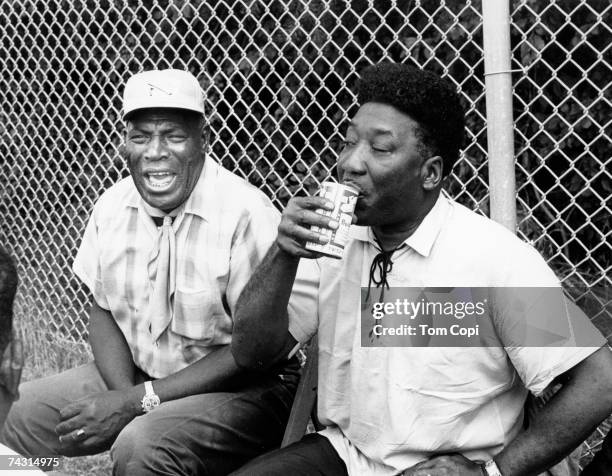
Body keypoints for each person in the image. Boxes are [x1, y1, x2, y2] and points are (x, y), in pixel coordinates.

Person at [229, 62, 612, 476]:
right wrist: (282, 255)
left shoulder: (494, 258)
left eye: (379, 149)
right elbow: (252, 354)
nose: (350, 164)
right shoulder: (329, 244)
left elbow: (599, 381)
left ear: (430, 173)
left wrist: (492, 473)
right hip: (347, 455)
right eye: (348, 143)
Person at [1, 69, 299, 476]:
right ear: (125, 143)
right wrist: (127, 396)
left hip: (243, 390)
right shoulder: (112, 205)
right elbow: (102, 308)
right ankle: (42, 470)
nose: (155, 151)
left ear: (202, 141)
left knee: (141, 446)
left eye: (174, 136)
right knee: (10, 416)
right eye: (141, 136)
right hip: (138, 378)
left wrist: (138, 404)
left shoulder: (247, 214)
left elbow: (252, 352)